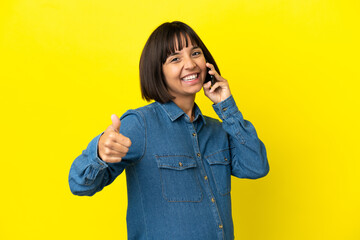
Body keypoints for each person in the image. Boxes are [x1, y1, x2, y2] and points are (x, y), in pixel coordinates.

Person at [68, 21, 269, 240]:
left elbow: (256, 167)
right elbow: (79, 184)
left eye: (195, 53)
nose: (190, 64)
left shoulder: (218, 130)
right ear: (158, 71)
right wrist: (98, 153)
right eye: (175, 59)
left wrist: (227, 107)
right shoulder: (140, 124)